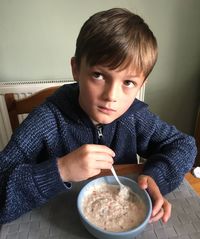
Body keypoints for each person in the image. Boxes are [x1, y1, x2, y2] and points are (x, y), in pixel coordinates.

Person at [0, 8, 197, 225]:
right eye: (98, 75)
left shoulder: (135, 118)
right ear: (76, 69)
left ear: (141, 84)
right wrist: (61, 170)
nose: (111, 96)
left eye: (128, 82)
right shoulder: (46, 121)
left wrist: (156, 177)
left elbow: (184, 145)